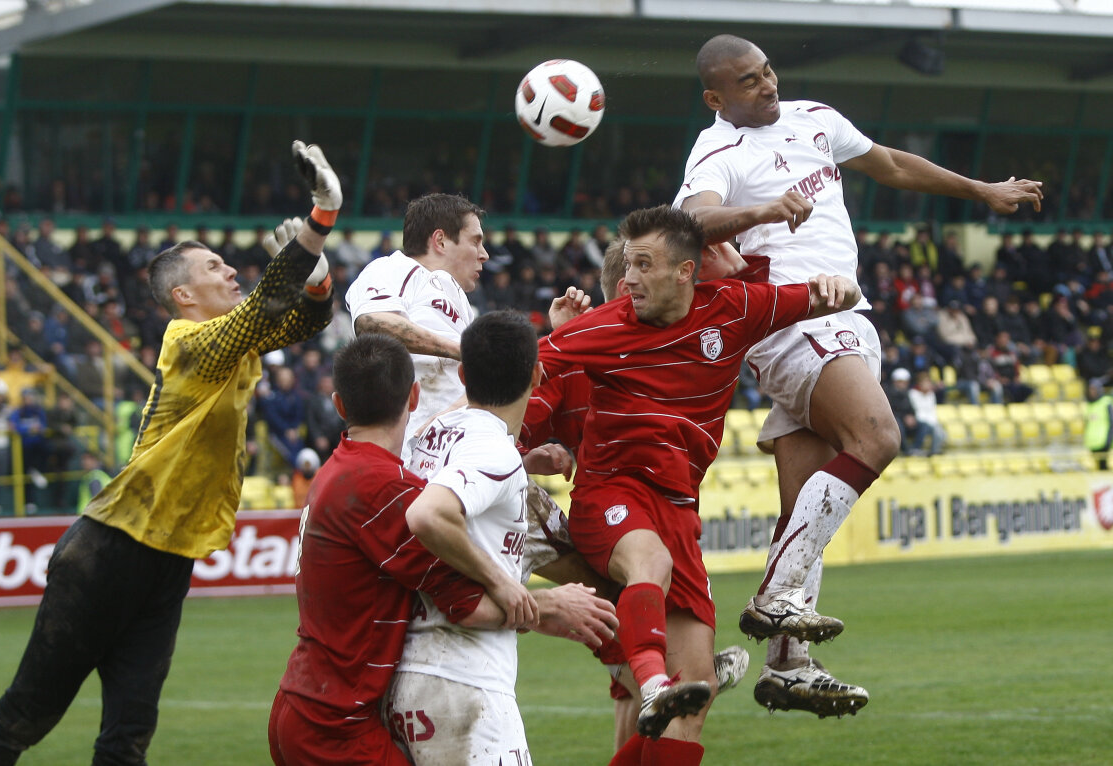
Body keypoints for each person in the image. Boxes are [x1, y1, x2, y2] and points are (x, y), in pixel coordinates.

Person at [675, 33, 1044, 717]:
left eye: (768, 72)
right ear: (715, 97)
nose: (767, 85)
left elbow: (891, 164)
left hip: (843, 313)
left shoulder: (815, 117)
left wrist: (979, 189)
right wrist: (758, 211)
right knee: (876, 436)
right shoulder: (717, 150)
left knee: (803, 503)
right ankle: (773, 594)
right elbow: (691, 219)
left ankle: (789, 664)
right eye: (749, 81)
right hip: (794, 318)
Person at [0, 140, 342, 766]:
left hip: (165, 561)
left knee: (129, 733)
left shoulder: (232, 345)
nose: (230, 271)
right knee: (26, 715)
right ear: (183, 298)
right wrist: (320, 217)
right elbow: (266, 312)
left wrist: (317, 266)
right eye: (215, 267)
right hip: (107, 552)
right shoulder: (189, 342)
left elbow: (308, 320)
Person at [538, 205, 861, 764]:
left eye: (647, 264)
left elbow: (830, 296)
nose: (635, 278)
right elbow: (512, 379)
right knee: (649, 576)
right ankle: (650, 682)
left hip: (679, 513)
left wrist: (839, 287)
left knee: (696, 703)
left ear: (685, 271)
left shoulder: (732, 311)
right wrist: (519, 448)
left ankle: (661, 690)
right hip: (613, 496)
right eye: (630, 267)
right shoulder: (599, 330)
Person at [269, 332, 614, 766]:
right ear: (415, 397)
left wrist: (516, 466)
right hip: (335, 724)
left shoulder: (343, 470)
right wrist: (548, 605)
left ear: (339, 405)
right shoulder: (387, 490)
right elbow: (465, 604)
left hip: (307, 701)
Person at [389, 310, 618, 766]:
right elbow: (429, 514)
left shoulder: (431, 433)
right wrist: (504, 582)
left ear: (461, 375)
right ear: (537, 374)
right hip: (465, 684)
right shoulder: (493, 451)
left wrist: (522, 462)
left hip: (409, 676)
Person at [345, 193, 487, 460]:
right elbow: (372, 322)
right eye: (476, 242)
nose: (484, 255)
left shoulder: (462, 302)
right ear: (440, 240)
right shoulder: (394, 268)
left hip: (463, 447)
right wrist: (464, 351)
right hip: (413, 453)